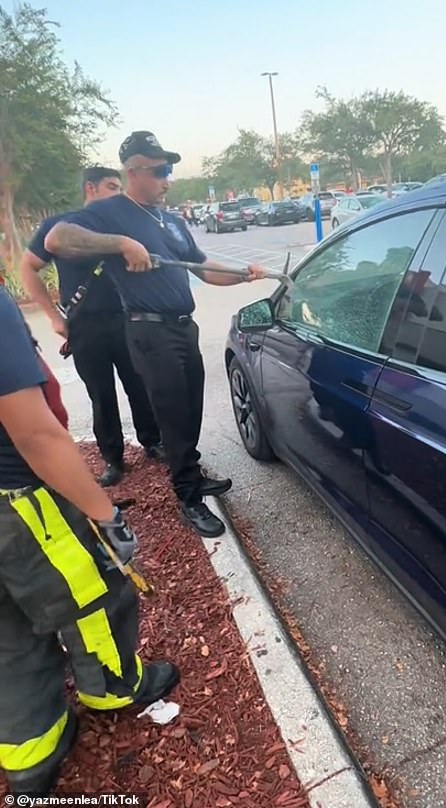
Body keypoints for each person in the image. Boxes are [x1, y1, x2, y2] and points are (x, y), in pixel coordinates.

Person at [0, 286, 179, 797]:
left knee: (8, 631)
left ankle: (31, 750)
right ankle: (114, 688)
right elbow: (34, 434)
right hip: (20, 500)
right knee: (92, 594)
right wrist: (105, 518)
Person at [45, 131, 269, 538]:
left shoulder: (172, 220)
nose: (168, 178)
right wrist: (121, 243)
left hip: (184, 328)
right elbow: (56, 239)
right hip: (148, 330)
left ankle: (192, 474)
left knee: (192, 406)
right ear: (133, 171)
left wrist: (243, 276)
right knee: (172, 414)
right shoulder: (112, 211)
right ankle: (187, 497)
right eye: (160, 170)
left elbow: (201, 269)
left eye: (170, 169)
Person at [21, 167, 165, 488]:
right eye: (112, 187)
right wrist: (54, 318)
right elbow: (28, 267)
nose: (118, 193)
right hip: (84, 324)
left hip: (127, 318)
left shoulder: (123, 227)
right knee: (100, 394)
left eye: (120, 187)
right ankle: (113, 459)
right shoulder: (63, 225)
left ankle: (152, 442)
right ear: (91, 188)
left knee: (139, 383)